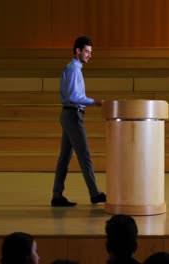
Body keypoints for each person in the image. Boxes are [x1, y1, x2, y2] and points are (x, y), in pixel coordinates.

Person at [51, 35, 106, 207]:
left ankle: (57, 196)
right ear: (78, 51)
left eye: (90, 52)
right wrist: (95, 102)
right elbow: (74, 96)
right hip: (73, 115)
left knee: (65, 158)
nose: (90, 55)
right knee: (85, 155)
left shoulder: (73, 68)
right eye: (87, 51)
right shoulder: (73, 69)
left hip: (68, 114)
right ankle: (94, 194)